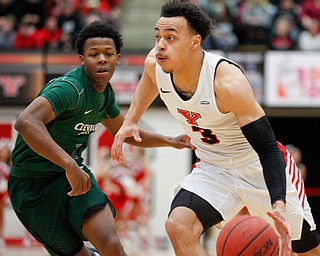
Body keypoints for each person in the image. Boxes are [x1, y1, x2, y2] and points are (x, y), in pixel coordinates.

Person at [111, 1, 320, 255]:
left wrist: (277, 203)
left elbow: (267, 148)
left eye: (170, 37)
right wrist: (131, 119)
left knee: (305, 249)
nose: (160, 45)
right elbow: (149, 81)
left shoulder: (226, 81)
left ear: (194, 42)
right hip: (214, 167)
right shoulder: (156, 63)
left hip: (256, 165)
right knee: (178, 226)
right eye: (157, 37)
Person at [8, 20, 191, 256]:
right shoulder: (70, 89)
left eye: (108, 53)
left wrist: (170, 141)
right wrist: (69, 164)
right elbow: (25, 122)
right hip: (32, 185)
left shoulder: (105, 95)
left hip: (72, 176)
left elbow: (124, 132)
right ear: (82, 60)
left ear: (118, 58)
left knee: (112, 245)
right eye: (94, 54)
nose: (102, 58)